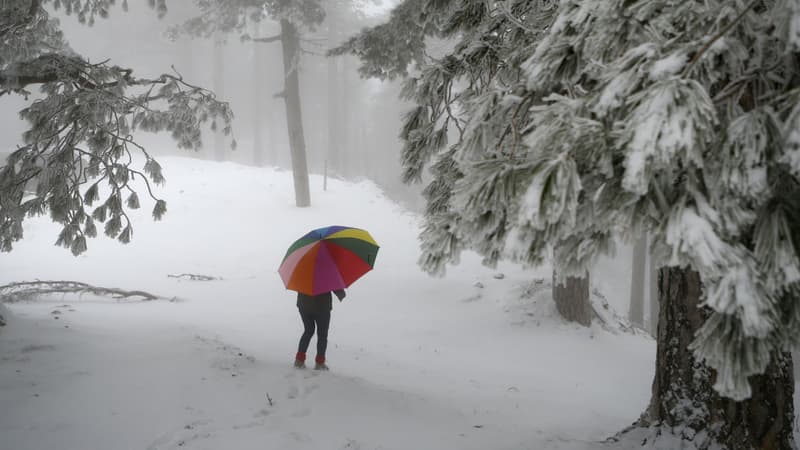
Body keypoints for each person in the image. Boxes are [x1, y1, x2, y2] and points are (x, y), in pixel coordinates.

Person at [294, 288, 346, 370]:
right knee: (322, 334)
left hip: (304, 305)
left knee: (308, 331)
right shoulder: (326, 274)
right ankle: (320, 363)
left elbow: (298, 284)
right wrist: (341, 293)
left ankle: (299, 360)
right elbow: (334, 285)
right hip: (322, 306)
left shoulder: (301, 274)